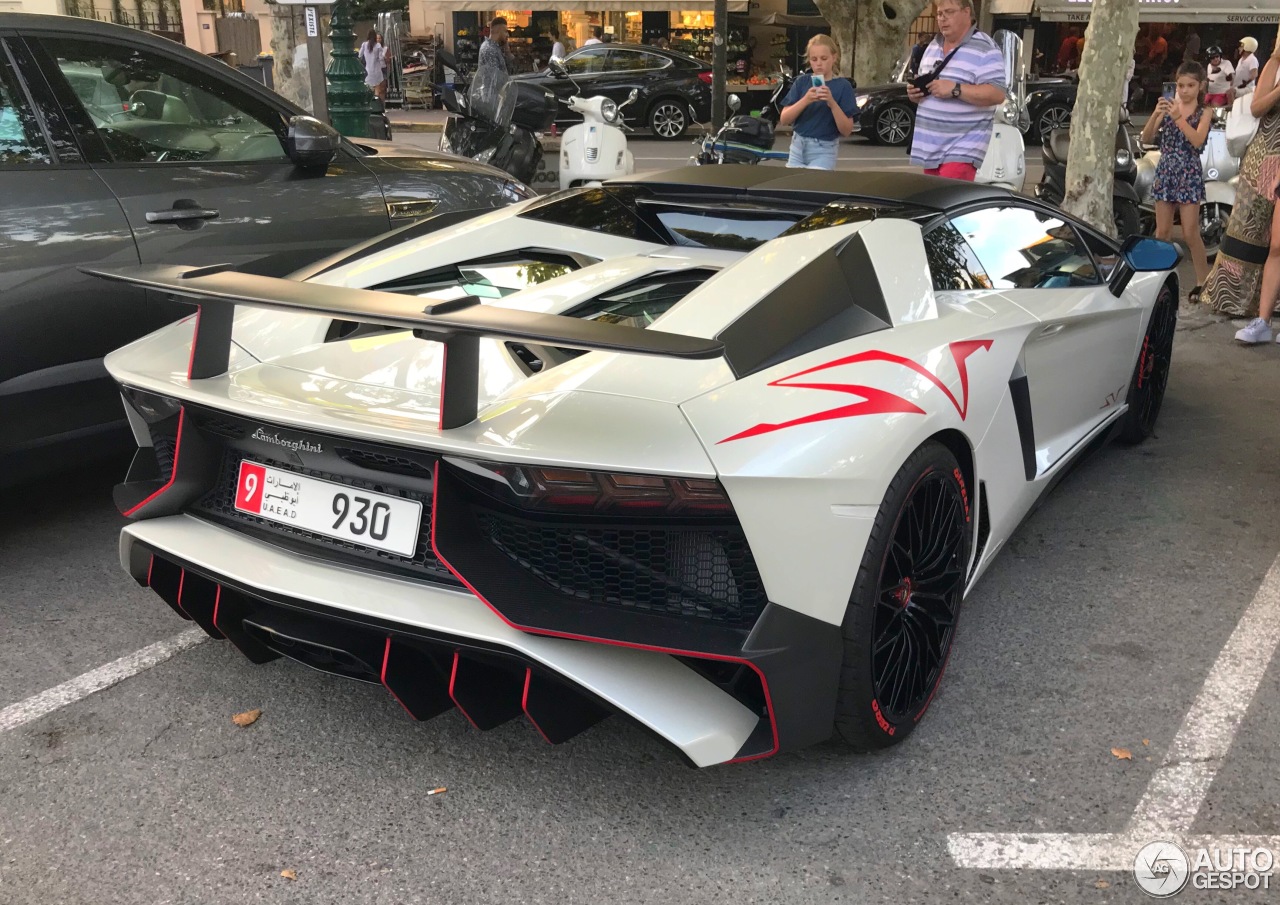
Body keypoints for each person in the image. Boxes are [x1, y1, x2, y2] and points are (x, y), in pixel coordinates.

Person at [1206, 42, 1280, 335]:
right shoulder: (1274, 63)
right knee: (1258, 237)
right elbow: (1257, 106)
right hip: (1262, 158)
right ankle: (1259, 317)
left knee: (1275, 243)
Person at [906, 0, 1007, 182]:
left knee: (946, 200)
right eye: (939, 14)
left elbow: (997, 93)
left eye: (949, 12)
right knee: (936, 202)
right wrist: (915, 94)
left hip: (962, 146)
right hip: (930, 146)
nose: (942, 19)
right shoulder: (932, 46)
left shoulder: (986, 49)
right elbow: (927, 86)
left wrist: (956, 89)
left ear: (967, 12)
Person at [1142, 62, 1212, 301]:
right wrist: (1156, 114)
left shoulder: (1204, 112)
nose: (1184, 90)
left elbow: (1197, 140)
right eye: (1181, 85)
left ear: (1201, 86)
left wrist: (1178, 118)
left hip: (1188, 171)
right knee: (1162, 232)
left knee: (1191, 232)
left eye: (1190, 85)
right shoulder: (1171, 106)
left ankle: (1203, 281)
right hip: (1166, 169)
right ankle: (1158, 280)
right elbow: (1146, 138)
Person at [778, 35, 856, 169]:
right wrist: (805, 100)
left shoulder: (843, 86)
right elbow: (784, 119)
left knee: (814, 185)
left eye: (824, 58)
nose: (819, 63)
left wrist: (832, 103)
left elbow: (847, 130)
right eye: (814, 59)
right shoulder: (802, 82)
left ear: (834, 57)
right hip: (798, 145)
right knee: (793, 187)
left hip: (824, 149)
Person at [358, 29, 388, 101]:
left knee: (368, 88)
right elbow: (381, 58)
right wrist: (384, 66)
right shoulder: (378, 46)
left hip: (368, 70)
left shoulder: (364, 45)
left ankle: (370, 104)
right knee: (377, 88)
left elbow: (359, 55)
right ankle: (377, 105)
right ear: (375, 37)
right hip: (377, 71)